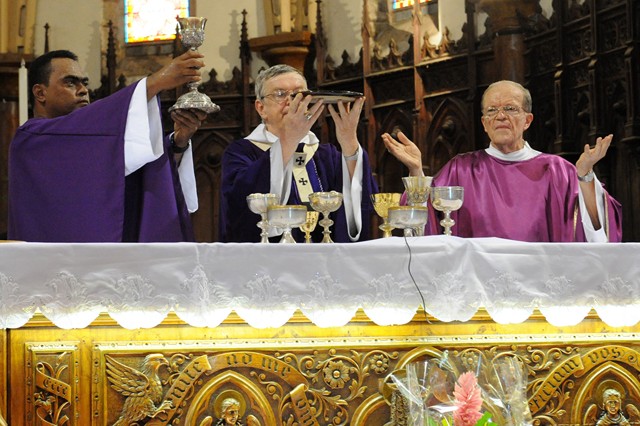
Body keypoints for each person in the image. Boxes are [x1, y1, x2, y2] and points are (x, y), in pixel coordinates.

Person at [382, 80, 622, 242]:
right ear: (484, 123)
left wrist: (584, 176)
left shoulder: (556, 170)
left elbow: (596, 230)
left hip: (541, 281)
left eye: (510, 108)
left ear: (527, 120)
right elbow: (424, 223)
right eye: (491, 111)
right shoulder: (461, 169)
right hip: (476, 284)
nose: (500, 116)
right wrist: (416, 170)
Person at [8, 49, 207, 242]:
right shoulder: (30, 140)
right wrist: (156, 82)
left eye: (84, 83)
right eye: (70, 82)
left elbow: (140, 180)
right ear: (40, 93)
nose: (83, 90)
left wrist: (178, 143)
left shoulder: (91, 141)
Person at [219, 64, 378, 242]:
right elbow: (238, 209)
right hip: (271, 256)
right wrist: (288, 140)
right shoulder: (241, 152)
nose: (291, 101)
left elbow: (357, 204)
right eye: (280, 94)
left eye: (299, 94)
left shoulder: (325, 154)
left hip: (324, 255)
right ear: (261, 108)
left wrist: (349, 141)